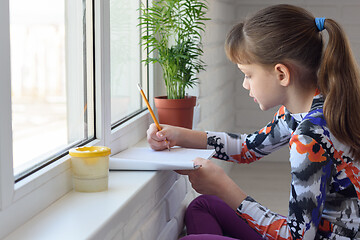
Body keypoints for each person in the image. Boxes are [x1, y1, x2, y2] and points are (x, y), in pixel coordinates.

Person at [146, 4, 360, 240]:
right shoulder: (304, 110)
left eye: (248, 75)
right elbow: (248, 147)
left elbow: (298, 237)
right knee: (203, 206)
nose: (245, 84)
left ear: (281, 74)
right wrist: (181, 135)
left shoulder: (310, 137)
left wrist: (224, 188)